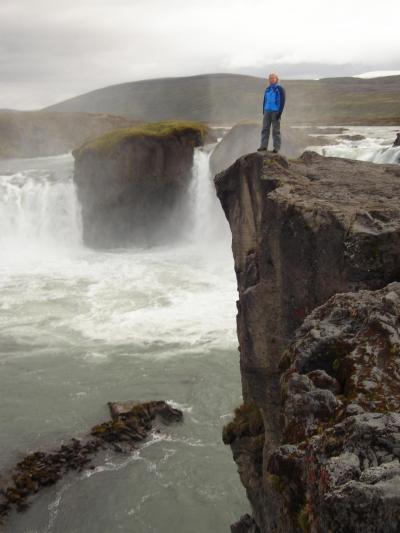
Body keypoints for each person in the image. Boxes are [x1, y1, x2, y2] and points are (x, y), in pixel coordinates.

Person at [258, 73, 286, 153]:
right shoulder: (267, 89)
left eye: (273, 78)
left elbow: (283, 101)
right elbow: (265, 100)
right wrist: (264, 110)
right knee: (265, 129)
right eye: (270, 78)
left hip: (275, 111)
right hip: (267, 111)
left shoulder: (280, 88)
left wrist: (279, 113)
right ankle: (263, 146)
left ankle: (276, 148)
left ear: (276, 79)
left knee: (276, 130)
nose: (271, 79)